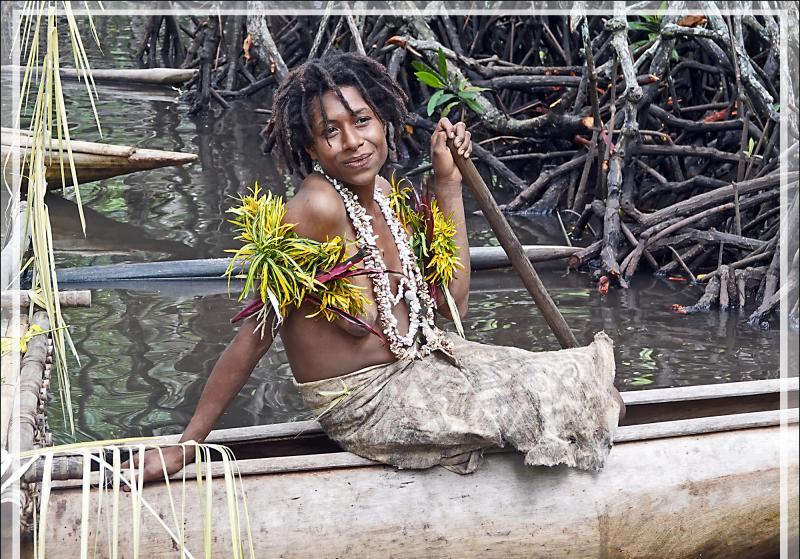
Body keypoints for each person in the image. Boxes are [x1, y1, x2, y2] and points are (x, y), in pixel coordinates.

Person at [124, 52, 623, 488]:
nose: (352, 141)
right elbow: (256, 333)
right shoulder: (315, 209)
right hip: (366, 402)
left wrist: (448, 183)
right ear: (311, 148)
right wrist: (186, 445)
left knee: (586, 385)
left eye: (362, 121)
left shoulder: (382, 195)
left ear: (383, 123)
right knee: (549, 403)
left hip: (421, 365)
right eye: (330, 132)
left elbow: (454, 304)